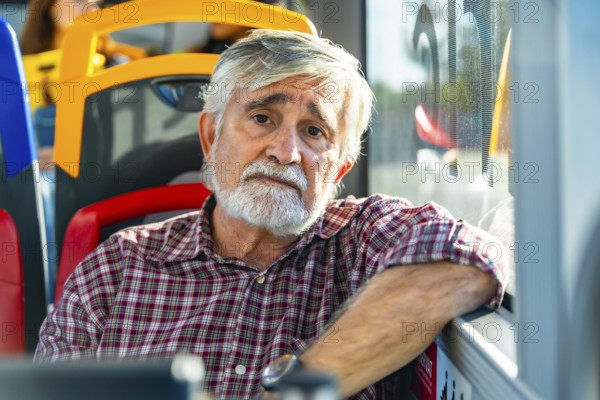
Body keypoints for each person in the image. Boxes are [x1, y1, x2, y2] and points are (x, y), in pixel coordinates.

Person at [35, 30, 507, 399]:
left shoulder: (365, 239)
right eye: (262, 118)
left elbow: (469, 259)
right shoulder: (116, 270)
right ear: (210, 137)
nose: (286, 152)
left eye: (315, 131)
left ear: (339, 169)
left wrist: (296, 391)